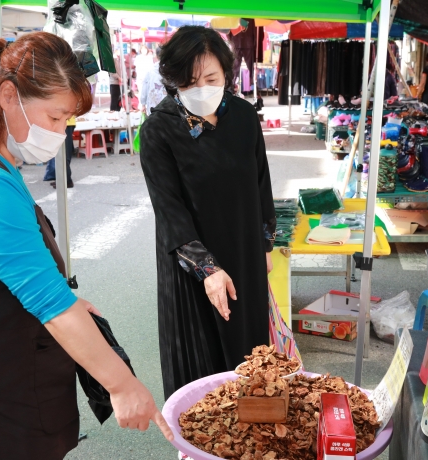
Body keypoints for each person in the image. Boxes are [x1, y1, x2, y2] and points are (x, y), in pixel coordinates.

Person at [0, 32, 173, 459]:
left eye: (66, 121)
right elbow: (52, 305)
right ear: (8, 96)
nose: (61, 132)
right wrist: (122, 385)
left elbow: (6, 271)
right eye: (55, 118)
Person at [140, 26, 277, 401]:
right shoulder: (158, 130)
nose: (202, 88)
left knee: (247, 364)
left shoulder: (246, 117)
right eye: (189, 81)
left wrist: (265, 246)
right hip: (191, 266)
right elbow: (169, 209)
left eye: (211, 78)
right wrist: (207, 269)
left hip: (244, 256)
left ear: (227, 74)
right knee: (201, 374)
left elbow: (261, 183)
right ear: (173, 81)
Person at [43, 115, 75, 188]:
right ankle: (62, 179)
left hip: (66, 121)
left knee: (64, 153)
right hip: (64, 121)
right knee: (61, 152)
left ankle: (67, 181)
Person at [139, 47, 167, 116]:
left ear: (156, 56)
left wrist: (143, 104)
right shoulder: (171, 71)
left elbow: (144, 88)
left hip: (152, 107)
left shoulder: (150, 71)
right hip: (167, 107)